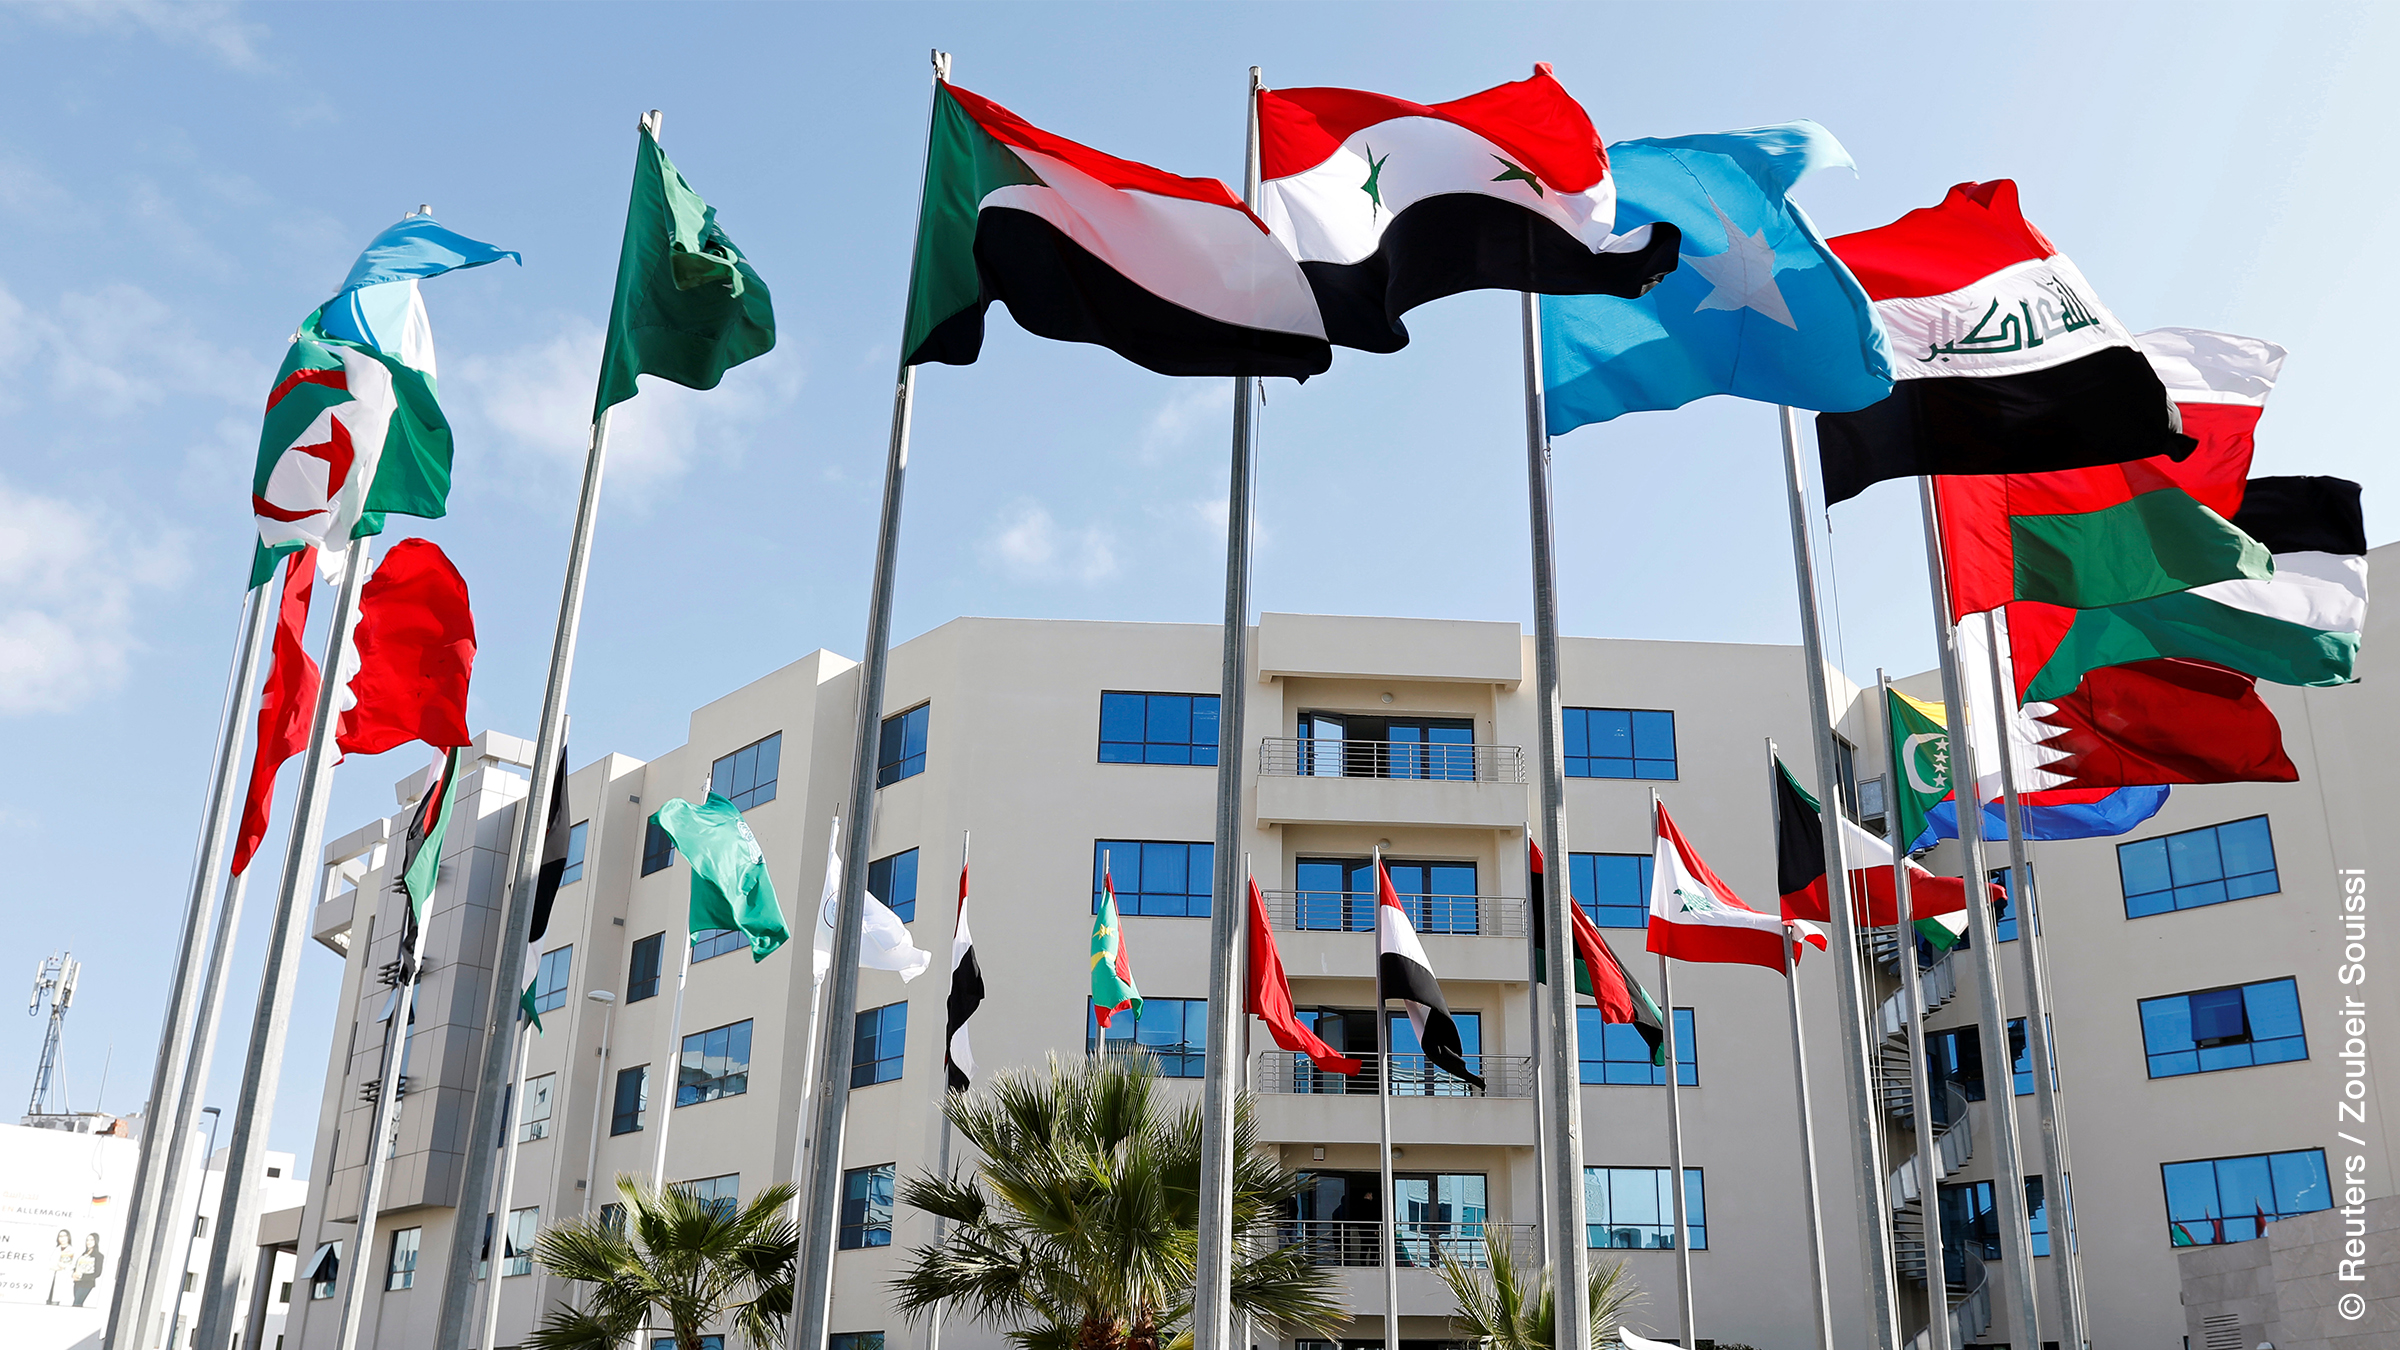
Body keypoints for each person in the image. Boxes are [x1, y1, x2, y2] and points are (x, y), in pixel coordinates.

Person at [72, 1233, 104, 1307]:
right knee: (77, 1304)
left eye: (91, 1240)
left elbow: (97, 1273)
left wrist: (82, 1276)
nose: (89, 1242)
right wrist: (74, 1273)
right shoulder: (83, 1254)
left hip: (87, 1283)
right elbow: (78, 1266)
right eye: (87, 1240)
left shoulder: (99, 1256)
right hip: (77, 1282)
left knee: (76, 1303)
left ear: (96, 1241)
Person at [45, 1229, 74, 1305]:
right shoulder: (55, 1249)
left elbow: (71, 1266)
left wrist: (63, 1267)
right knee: (48, 1300)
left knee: (56, 1300)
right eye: (60, 1236)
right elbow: (49, 1263)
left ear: (68, 1237)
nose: (62, 1238)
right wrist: (55, 1266)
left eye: (65, 1236)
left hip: (63, 1278)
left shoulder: (72, 1250)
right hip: (51, 1277)